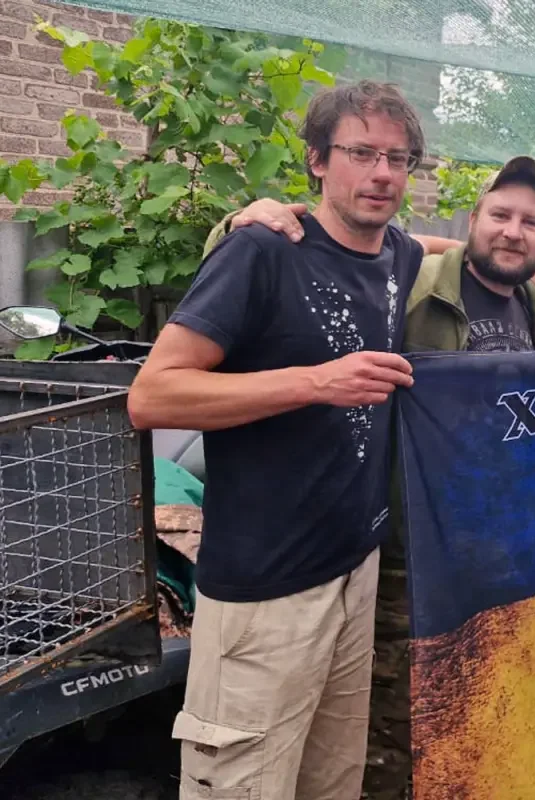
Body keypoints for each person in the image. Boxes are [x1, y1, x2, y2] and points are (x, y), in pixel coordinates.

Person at [208, 155, 535, 800]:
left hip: (489, 551)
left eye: (531, 223)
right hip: (400, 548)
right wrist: (241, 221)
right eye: (500, 216)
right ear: (473, 217)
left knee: (461, 715)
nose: (513, 232)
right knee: (390, 729)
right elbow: (329, 262)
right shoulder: (417, 286)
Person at [127, 80, 426, 800]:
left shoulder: (400, 257)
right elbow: (152, 396)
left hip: (353, 568)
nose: (382, 173)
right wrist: (316, 383)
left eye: (399, 157)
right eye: (361, 153)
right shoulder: (262, 251)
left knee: (331, 782)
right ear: (319, 160)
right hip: (266, 589)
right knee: (242, 785)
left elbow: (442, 244)